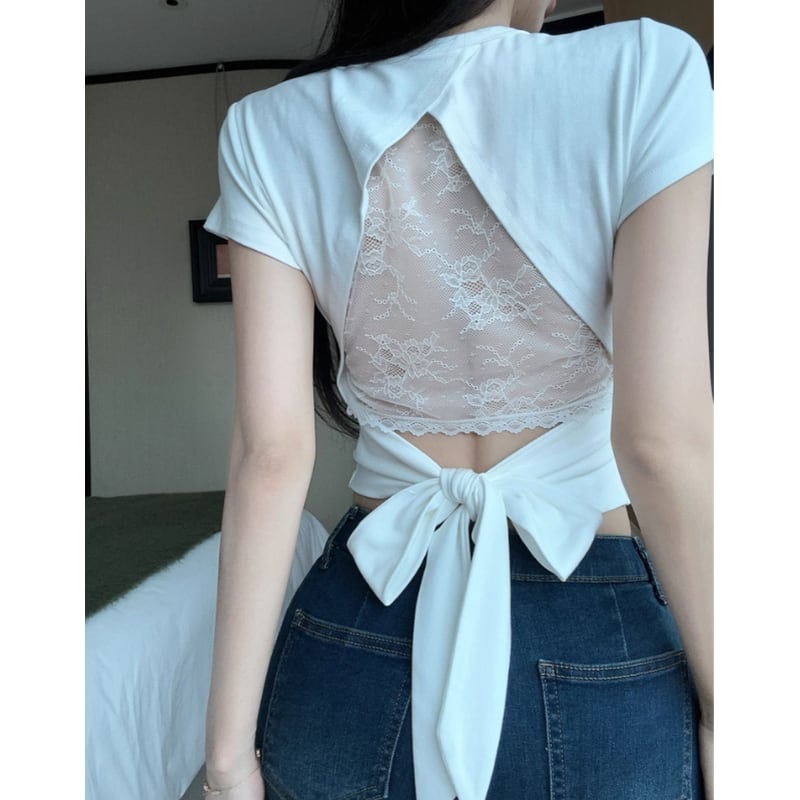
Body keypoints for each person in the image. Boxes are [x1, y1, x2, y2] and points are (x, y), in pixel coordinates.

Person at [201, 0, 713, 797]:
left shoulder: (266, 126)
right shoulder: (647, 69)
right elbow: (662, 441)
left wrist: (227, 759)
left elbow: (270, 456)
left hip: (355, 624)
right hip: (596, 629)